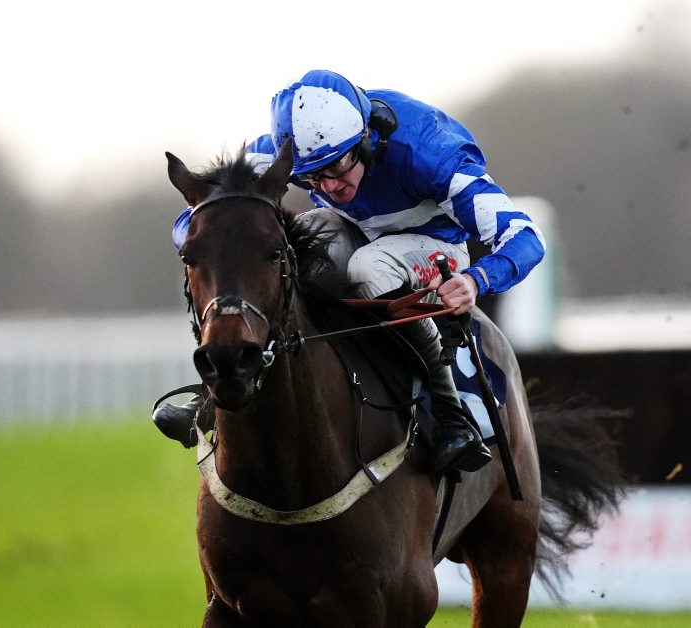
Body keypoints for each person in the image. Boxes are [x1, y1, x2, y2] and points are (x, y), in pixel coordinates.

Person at [154, 70, 546, 475]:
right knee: (291, 244)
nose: (331, 186)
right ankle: (215, 395)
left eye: (339, 165)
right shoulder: (280, 150)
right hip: (356, 233)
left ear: (365, 139)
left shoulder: (429, 152)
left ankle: (451, 415)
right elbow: (198, 221)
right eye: (313, 176)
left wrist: (477, 280)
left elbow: (526, 237)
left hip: (436, 245)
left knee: (368, 269)